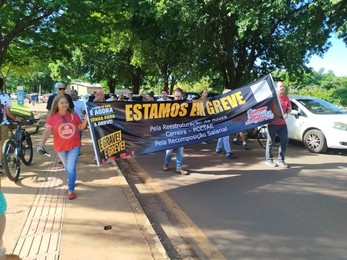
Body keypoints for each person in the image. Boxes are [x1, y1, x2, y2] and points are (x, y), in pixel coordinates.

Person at [38, 95, 88, 200]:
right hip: (60, 147)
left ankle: (70, 189)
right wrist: (41, 144)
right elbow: (47, 132)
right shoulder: (52, 117)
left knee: (70, 167)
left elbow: (81, 128)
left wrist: (86, 120)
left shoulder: (73, 115)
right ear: (56, 104)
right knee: (68, 167)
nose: (65, 104)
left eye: (66, 103)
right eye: (62, 103)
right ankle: (72, 179)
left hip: (74, 145)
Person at [162, 88, 189, 175]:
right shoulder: (169, 104)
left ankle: (179, 167)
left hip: (181, 130)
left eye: (179, 96)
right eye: (176, 96)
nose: (177, 98)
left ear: (181, 96)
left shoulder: (185, 104)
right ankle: (166, 163)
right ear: (173, 95)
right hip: (170, 130)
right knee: (169, 150)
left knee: (180, 150)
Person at [265, 81, 292, 168]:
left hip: (282, 124)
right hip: (273, 124)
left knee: (284, 140)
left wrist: (287, 113)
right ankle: (269, 160)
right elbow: (266, 109)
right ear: (276, 88)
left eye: (283, 86)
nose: (282, 88)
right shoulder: (272, 98)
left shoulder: (286, 98)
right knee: (270, 142)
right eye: (280, 86)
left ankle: (281, 160)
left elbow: (289, 108)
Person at [0, 83, 21, 172]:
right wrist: (15, 118)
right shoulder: (4, 96)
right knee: (1, 145)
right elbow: (7, 112)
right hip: (2, 124)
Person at [215, 89, 236, 159]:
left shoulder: (226, 102)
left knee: (222, 136)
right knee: (226, 137)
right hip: (223, 121)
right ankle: (228, 152)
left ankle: (218, 148)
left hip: (223, 121)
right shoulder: (222, 103)